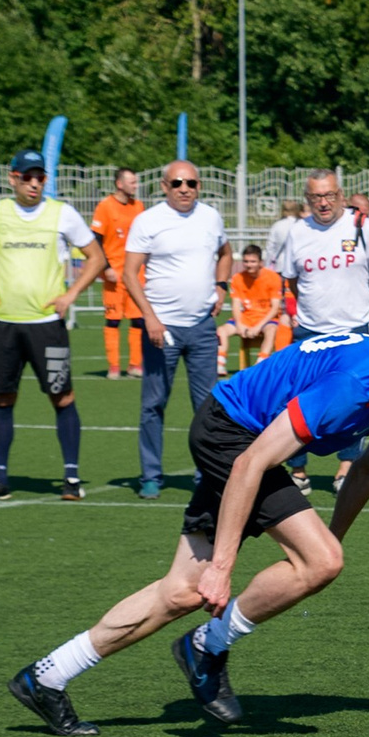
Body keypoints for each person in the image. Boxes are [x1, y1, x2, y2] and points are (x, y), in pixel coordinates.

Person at [9, 313, 369, 736]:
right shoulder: (356, 385)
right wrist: (226, 565)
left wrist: (327, 540)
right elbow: (249, 464)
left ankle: (47, 675)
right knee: (309, 563)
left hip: (242, 436)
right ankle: (206, 645)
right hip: (232, 433)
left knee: (182, 592)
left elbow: (367, 469)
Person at [0, 148, 102, 500]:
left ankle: (71, 480)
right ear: (13, 178)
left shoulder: (62, 214)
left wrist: (70, 295)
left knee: (62, 396)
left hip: (46, 325)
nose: (35, 183)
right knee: (3, 398)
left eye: (40, 177)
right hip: (4, 323)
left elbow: (96, 258)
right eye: (27, 176)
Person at [275, 170, 369, 493]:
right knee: (296, 401)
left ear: (341, 195)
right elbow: (291, 280)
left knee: (355, 401)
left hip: (355, 328)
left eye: (329, 195)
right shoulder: (298, 232)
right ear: (307, 199)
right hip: (311, 331)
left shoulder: (361, 226)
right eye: (316, 197)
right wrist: (311, 309)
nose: (323, 203)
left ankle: (346, 467)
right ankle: (297, 469)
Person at [120, 161, 234, 500]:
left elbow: (225, 253)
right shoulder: (148, 220)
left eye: (191, 183)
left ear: (199, 185)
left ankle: (208, 474)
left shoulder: (210, 217)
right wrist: (150, 318)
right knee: (153, 404)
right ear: (164, 186)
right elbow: (129, 273)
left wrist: (221, 285)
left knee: (208, 406)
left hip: (201, 327)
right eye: (177, 183)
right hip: (162, 329)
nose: (184, 189)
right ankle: (151, 475)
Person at [90, 168, 146, 380]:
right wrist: (105, 268)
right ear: (119, 184)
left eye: (136, 181)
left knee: (138, 320)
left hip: (136, 274)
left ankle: (135, 364)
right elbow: (95, 240)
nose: (136, 185)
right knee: (113, 320)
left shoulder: (138, 207)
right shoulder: (105, 207)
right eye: (132, 182)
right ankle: (114, 366)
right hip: (113, 274)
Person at [220, 245, 286, 370]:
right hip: (246, 318)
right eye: (246, 261)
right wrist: (239, 324)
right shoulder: (237, 278)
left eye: (253, 262)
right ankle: (220, 362)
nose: (249, 265)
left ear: (260, 262)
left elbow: (275, 308)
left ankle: (261, 363)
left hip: (266, 318)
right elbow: (236, 305)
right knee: (221, 331)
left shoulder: (273, 278)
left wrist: (258, 326)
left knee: (271, 330)